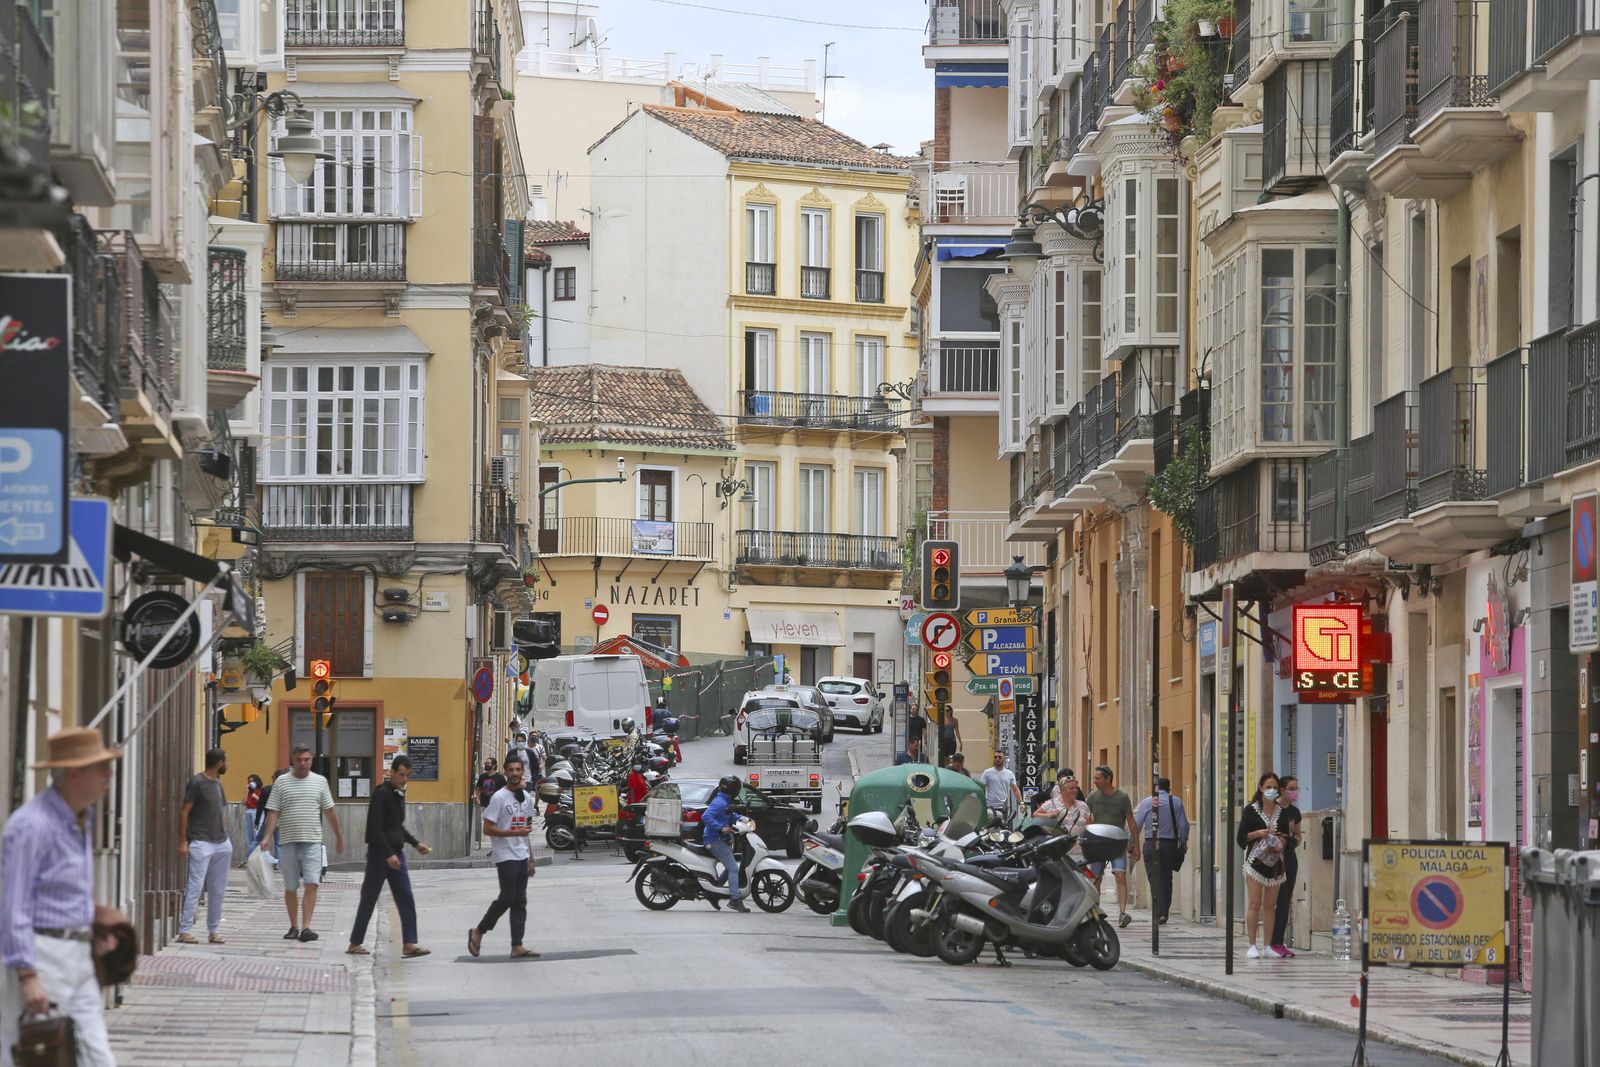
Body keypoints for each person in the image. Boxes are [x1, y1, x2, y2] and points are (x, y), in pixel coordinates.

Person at [0, 728, 125, 1066]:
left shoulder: (80, 819)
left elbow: (59, 893)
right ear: (73, 773)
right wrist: (27, 976)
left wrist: (94, 922)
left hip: (78, 956)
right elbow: (13, 905)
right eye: (100, 767)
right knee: (35, 1055)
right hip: (42, 954)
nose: (109, 775)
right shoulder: (30, 825)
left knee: (98, 1057)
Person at [257, 743, 344, 943]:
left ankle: (306, 927)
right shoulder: (281, 782)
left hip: (312, 841)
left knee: (312, 883)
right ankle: (293, 926)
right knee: (290, 886)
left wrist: (339, 836)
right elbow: (274, 812)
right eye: (299, 760)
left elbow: (329, 811)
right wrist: (267, 837)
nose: (303, 763)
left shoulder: (320, 782)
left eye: (307, 759)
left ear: (311, 760)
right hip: (288, 841)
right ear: (292, 760)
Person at [348, 755, 432, 958]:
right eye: (401, 774)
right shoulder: (382, 794)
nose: (404, 779)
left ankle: (409, 943)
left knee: (406, 897)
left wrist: (415, 844)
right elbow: (375, 829)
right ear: (391, 773)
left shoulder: (398, 795)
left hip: (396, 854)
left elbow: (396, 827)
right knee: (369, 898)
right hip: (380, 854)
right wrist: (388, 854)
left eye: (407, 775)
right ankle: (355, 943)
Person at [468, 755, 540, 958]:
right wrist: (513, 833)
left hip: (522, 854)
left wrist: (531, 858)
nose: (515, 773)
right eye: (511, 770)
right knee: (507, 897)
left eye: (518, 770)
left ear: (522, 772)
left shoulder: (527, 798)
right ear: (506, 772)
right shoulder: (499, 798)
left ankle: (517, 946)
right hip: (505, 855)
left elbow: (526, 830)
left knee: (520, 901)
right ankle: (479, 930)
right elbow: (488, 829)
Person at [177, 747, 232, 944]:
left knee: (218, 889)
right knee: (195, 886)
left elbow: (222, 811)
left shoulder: (218, 784)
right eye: (226, 761)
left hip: (221, 842)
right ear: (219, 763)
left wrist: (225, 836)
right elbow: (185, 812)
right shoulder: (197, 782)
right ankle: (184, 930)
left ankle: (213, 930)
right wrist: (183, 841)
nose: (227, 765)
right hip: (200, 842)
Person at [1237, 771, 1289, 959]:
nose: (1271, 790)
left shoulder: (1281, 812)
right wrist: (1259, 834)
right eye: (1268, 787)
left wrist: (1280, 841)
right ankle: (1252, 945)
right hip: (1255, 862)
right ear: (1260, 788)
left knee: (1270, 905)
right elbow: (1241, 838)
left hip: (1275, 864)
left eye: (1275, 787)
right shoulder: (1250, 811)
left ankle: (1267, 945)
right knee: (1255, 903)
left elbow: (1287, 836)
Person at [1086, 765, 1141, 928]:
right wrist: (1091, 831)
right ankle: (1096, 911)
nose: (1095, 781)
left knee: (1120, 875)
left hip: (1117, 842)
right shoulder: (1093, 797)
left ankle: (1122, 913)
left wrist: (1136, 845)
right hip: (1098, 843)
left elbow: (1131, 821)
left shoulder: (1122, 797)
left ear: (1108, 779)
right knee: (1096, 878)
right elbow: (1086, 816)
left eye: (1097, 778)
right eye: (1095, 778)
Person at [1134, 776, 1191, 927]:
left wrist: (1132, 844)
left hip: (1151, 843)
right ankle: (1163, 911)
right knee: (1166, 877)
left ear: (1154, 788)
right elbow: (1184, 826)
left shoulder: (1146, 802)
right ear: (1169, 788)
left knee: (1153, 877)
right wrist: (1183, 841)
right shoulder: (1176, 802)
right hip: (1169, 845)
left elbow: (1136, 825)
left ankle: (1158, 911)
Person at [701, 776, 749, 913]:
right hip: (714, 840)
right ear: (732, 789)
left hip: (719, 839)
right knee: (733, 869)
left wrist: (742, 818)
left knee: (730, 868)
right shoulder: (720, 802)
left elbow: (729, 814)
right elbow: (706, 816)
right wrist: (720, 828)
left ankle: (714, 893)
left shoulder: (724, 801)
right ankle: (735, 900)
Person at [1270, 775, 1304, 958]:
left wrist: (1293, 841)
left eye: (1296, 788)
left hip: (1289, 858)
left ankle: (1278, 941)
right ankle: (1270, 941)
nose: (1295, 792)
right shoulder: (1271, 808)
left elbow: (1298, 835)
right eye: (1291, 788)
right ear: (1282, 790)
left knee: (1285, 900)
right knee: (1273, 900)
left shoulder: (1294, 812)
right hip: (1272, 859)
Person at [979, 751, 1023, 824]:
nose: (997, 759)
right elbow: (982, 788)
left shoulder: (1009, 773)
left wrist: (1021, 802)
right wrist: (981, 803)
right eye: (995, 757)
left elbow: (1015, 789)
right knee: (991, 827)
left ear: (1004, 759)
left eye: (999, 757)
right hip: (990, 807)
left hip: (1003, 808)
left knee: (1002, 827)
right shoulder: (987, 772)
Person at [243, 774, 265, 856]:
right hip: (248, 811)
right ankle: (251, 856)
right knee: (249, 835)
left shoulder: (261, 791)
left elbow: (263, 803)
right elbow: (243, 802)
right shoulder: (249, 792)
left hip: (257, 812)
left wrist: (256, 797)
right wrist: (246, 791)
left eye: (252, 781)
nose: (250, 783)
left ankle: (258, 855)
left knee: (257, 834)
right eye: (249, 781)